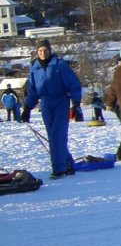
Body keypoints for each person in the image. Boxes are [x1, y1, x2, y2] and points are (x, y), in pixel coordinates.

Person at [23, 39, 83, 179]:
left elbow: (73, 84)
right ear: (37, 52)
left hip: (60, 102)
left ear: (50, 51)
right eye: (40, 51)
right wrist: (27, 108)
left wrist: (76, 103)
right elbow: (32, 90)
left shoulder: (59, 65)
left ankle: (59, 169)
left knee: (57, 135)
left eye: (45, 50)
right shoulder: (35, 68)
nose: (43, 53)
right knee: (53, 137)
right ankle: (68, 163)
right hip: (45, 104)